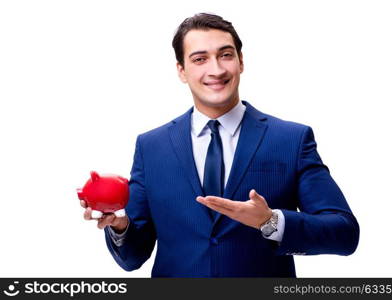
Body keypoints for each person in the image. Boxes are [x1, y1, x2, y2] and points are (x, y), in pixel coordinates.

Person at [80, 13, 359, 277]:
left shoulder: (291, 139)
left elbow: (345, 233)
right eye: (200, 59)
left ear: (241, 61)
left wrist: (270, 221)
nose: (216, 69)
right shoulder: (151, 147)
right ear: (182, 70)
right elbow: (132, 256)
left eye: (225, 55)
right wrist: (120, 226)